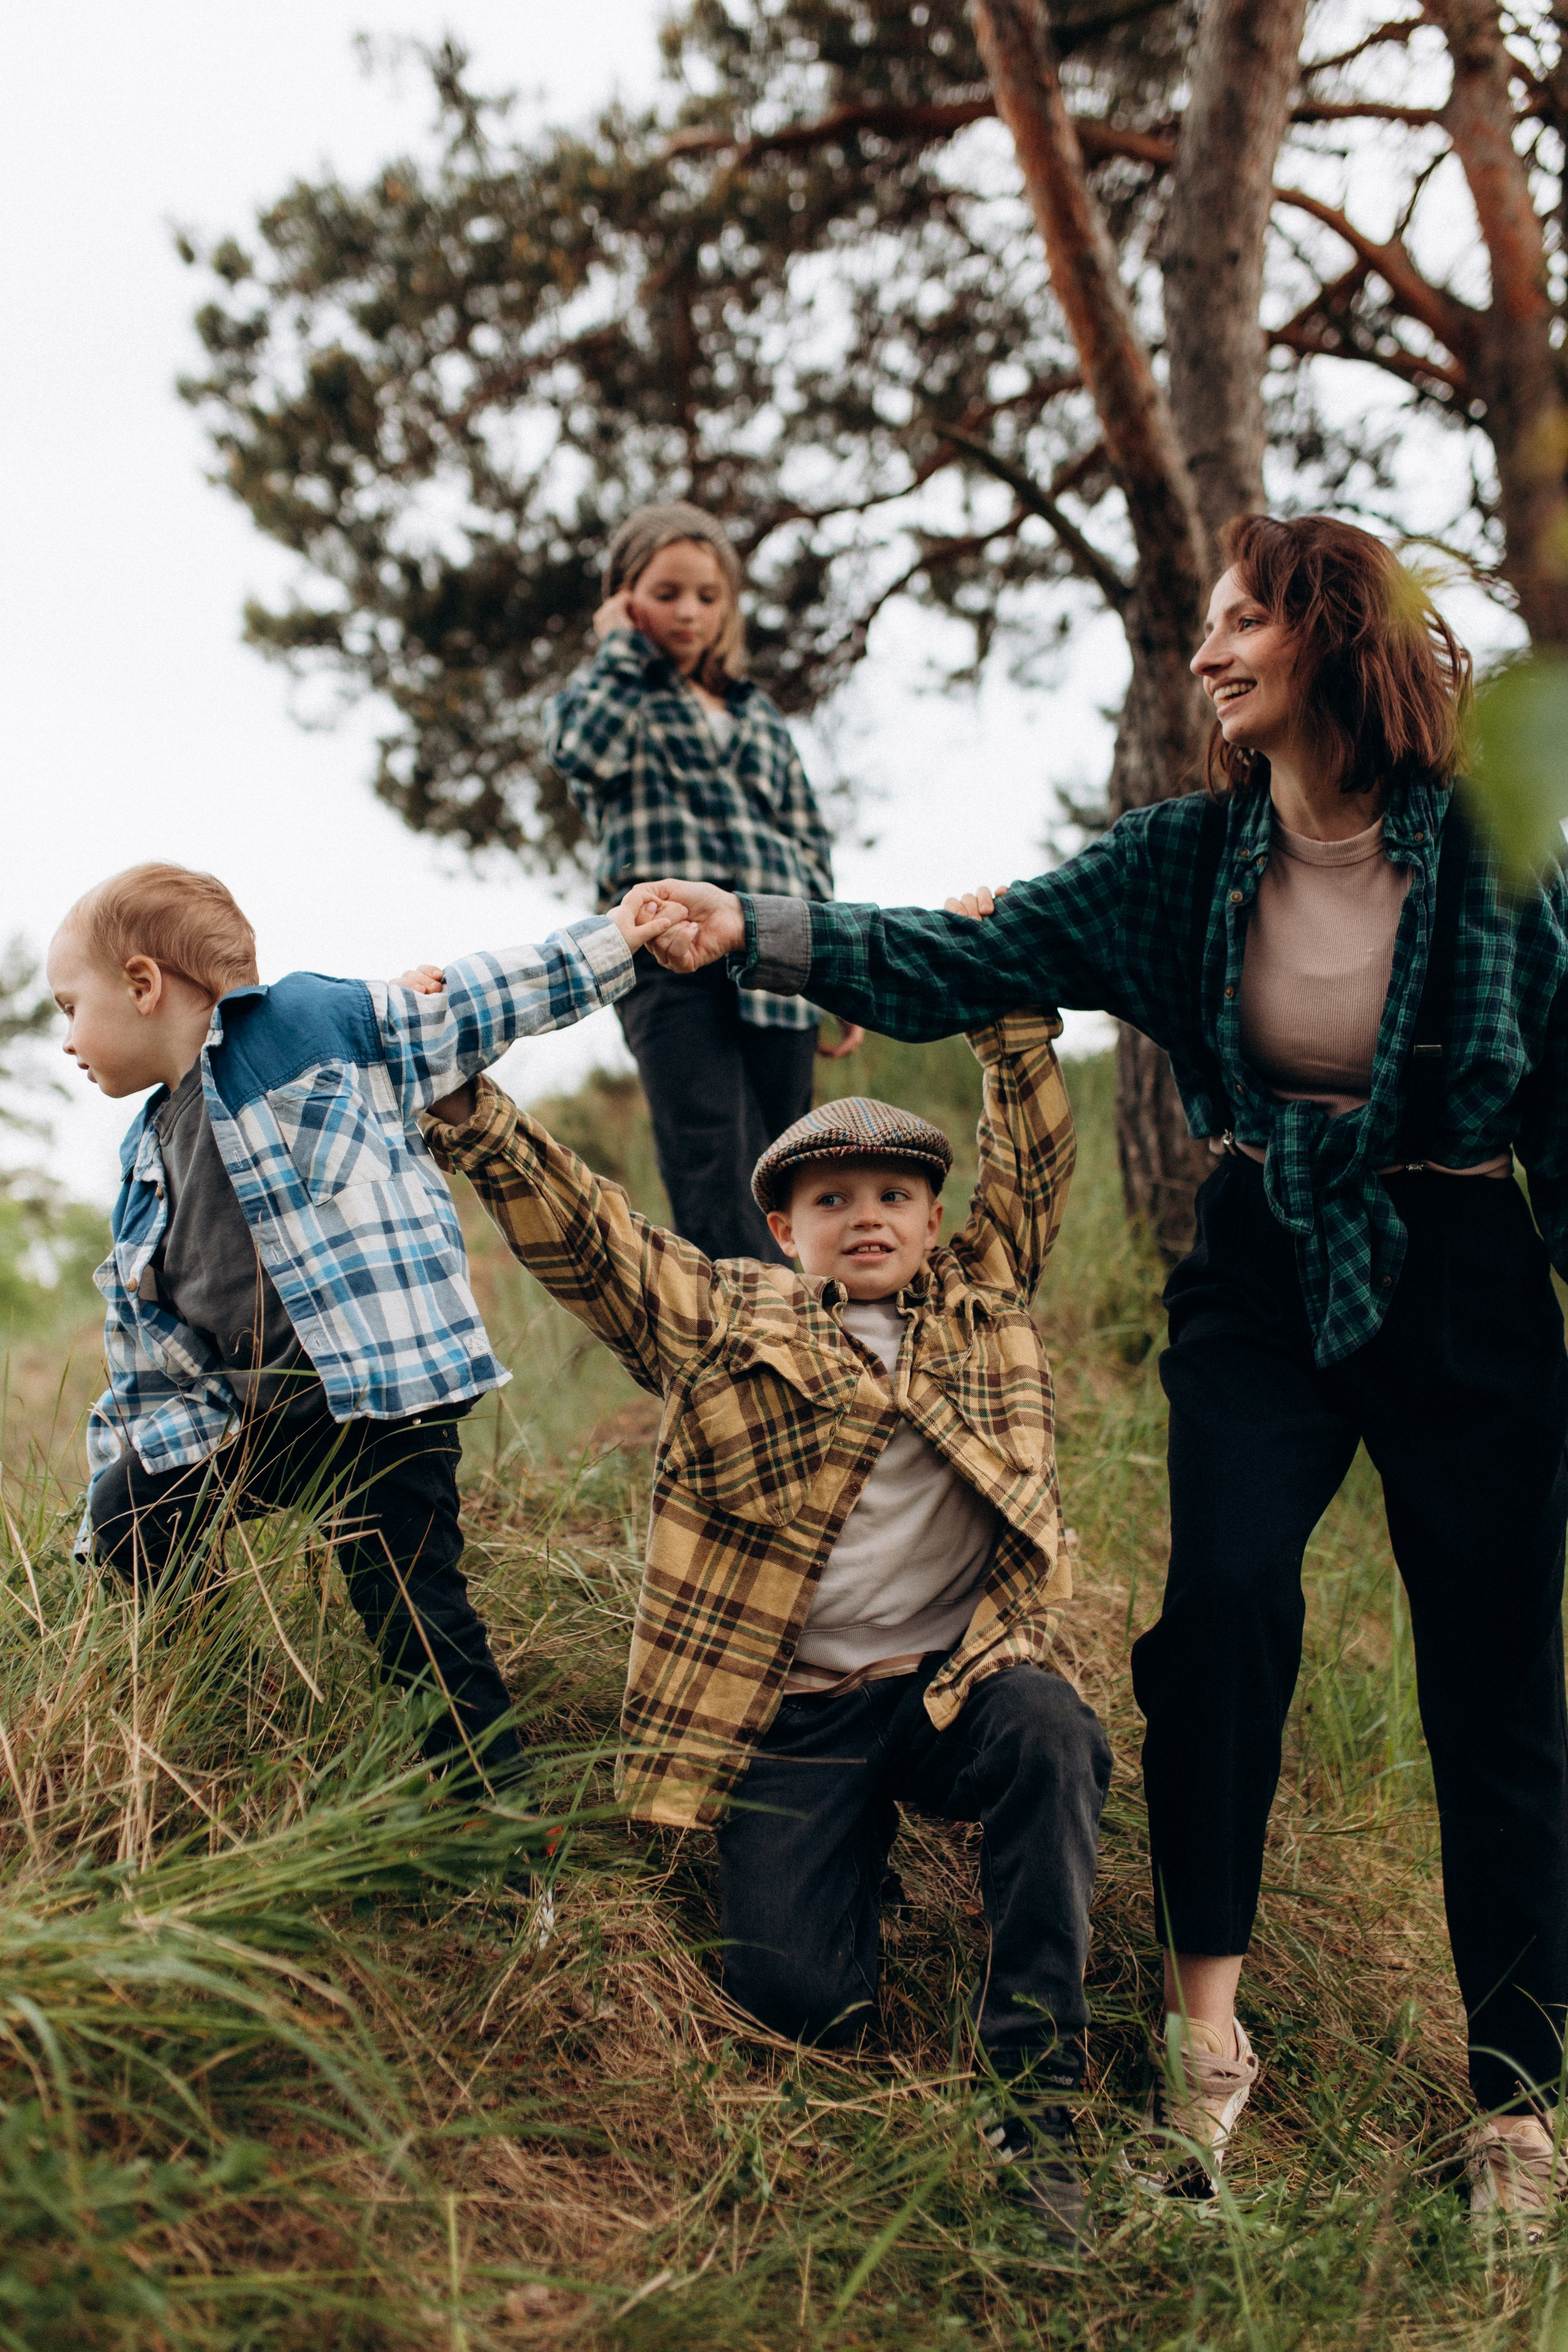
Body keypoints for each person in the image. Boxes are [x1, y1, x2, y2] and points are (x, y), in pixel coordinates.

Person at [635, 514, 1568, 2236]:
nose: (1208, 655)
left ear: (1330, 638)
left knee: (1496, 1686)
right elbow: (954, 954)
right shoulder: (1175, 865)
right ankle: (1206, 2044)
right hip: (1259, 1271)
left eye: (1240, 625)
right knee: (1219, 1616)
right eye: (1205, 627)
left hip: (1465, 1279)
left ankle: (1516, 2101)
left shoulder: (1500, 857)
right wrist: (747, 929)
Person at [416, 976, 1111, 2240]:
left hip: (955, 1690)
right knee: (803, 2009)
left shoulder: (982, 1303)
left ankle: (1035, 2104)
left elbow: (1038, 1157)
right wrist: (471, 1109)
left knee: (1053, 1732)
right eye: (830, 1200)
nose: (865, 1218)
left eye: (892, 1196)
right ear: (784, 1233)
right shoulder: (726, 1322)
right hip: (794, 1721)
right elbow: (593, 1237)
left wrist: (1006, 1014)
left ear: (931, 1219)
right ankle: (853, 1877)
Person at [51, 861, 682, 1785]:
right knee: (130, 1515)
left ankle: (487, 1810)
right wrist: (130, 1460)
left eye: (71, 1006)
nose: (66, 1036)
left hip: (384, 1393)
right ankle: (224, 1699)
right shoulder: (147, 1154)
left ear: (144, 985)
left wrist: (615, 938)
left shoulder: (311, 1024)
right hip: (261, 1419)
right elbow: (150, 1348)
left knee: (412, 1607)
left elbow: (480, 1000)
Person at [542, 500, 862, 1264]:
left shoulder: (757, 714)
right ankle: (751, 1350)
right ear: (623, 599)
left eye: (707, 596)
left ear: (729, 608)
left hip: (773, 962)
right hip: (668, 962)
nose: (688, 611)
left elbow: (808, 842)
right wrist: (618, 651)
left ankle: (810, 1344)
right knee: (714, 1168)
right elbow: (580, 753)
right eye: (665, 593)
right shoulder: (612, 698)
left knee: (789, 1169)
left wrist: (835, 969)